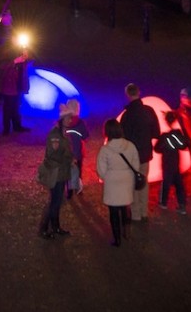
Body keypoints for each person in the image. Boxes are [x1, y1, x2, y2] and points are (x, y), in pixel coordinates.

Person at [120, 83, 159, 222]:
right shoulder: (148, 111)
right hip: (145, 153)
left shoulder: (127, 115)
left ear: (127, 95)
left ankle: (135, 214)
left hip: (131, 155)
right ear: (139, 92)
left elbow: (122, 137)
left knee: (133, 183)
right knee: (144, 182)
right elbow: (156, 132)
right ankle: (144, 212)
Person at [96, 119, 139, 247]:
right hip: (127, 179)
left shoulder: (105, 150)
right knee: (125, 208)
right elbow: (135, 164)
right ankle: (127, 232)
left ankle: (117, 239)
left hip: (112, 182)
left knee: (113, 211)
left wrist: (107, 177)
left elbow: (101, 169)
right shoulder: (130, 145)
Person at [37, 109, 75, 240]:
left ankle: (56, 227)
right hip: (56, 172)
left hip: (62, 172)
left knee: (58, 201)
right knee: (54, 201)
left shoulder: (63, 133)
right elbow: (52, 155)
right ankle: (44, 228)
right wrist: (68, 159)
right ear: (62, 120)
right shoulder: (55, 135)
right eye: (68, 118)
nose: (70, 120)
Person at [156, 111, 188, 214]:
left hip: (166, 163)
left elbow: (157, 149)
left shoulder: (164, 136)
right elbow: (183, 145)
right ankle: (182, 205)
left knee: (166, 183)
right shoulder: (177, 134)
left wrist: (164, 147)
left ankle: (163, 203)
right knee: (179, 184)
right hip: (176, 163)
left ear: (166, 121)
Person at [0, 41, 30, 135]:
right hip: (9, 85)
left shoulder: (20, 50)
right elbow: (0, 67)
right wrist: (14, 61)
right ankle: (6, 129)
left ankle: (17, 126)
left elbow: (26, 64)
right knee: (8, 107)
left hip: (17, 84)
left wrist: (25, 57)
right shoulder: (4, 51)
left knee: (16, 106)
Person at [61, 99, 89, 199]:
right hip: (78, 152)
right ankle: (78, 188)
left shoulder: (63, 122)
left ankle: (69, 191)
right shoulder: (80, 123)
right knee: (78, 170)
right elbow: (85, 136)